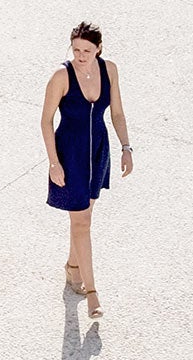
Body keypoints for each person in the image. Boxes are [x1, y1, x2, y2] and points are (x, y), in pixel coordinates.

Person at [41, 20, 132, 320]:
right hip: (70, 154)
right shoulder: (61, 75)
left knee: (85, 216)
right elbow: (46, 120)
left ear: (99, 49)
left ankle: (73, 267)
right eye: (76, 49)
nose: (80, 55)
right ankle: (92, 293)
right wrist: (54, 162)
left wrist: (126, 147)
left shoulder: (110, 70)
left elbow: (117, 112)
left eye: (87, 50)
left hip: (98, 151)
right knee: (81, 223)